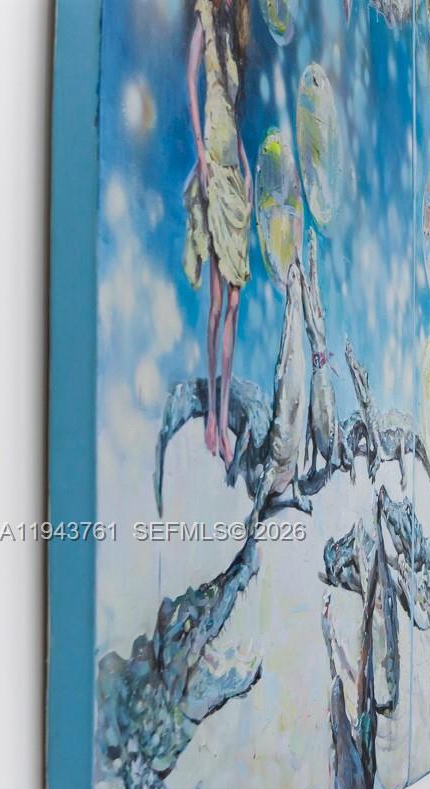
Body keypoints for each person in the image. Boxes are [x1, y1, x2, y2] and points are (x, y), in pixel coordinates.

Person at [184, 0, 252, 463]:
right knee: (215, 305)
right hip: (213, 170)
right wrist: (201, 153)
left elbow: (231, 113)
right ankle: (210, 417)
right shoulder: (204, 17)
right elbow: (192, 84)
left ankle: (223, 416)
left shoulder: (234, 40)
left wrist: (245, 165)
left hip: (235, 172)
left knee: (233, 303)